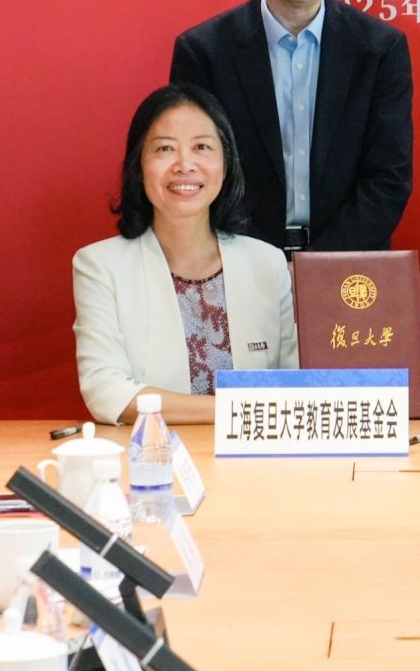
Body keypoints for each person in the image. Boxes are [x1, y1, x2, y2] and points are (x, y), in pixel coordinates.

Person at [169, 0, 413, 253]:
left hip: (348, 259)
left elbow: (388, 177)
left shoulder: (380, 49)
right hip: (236, 257)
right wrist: (263, 262)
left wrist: (318, 267)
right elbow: (196, 169)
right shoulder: (204, 51)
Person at [74, 84, 299, 425]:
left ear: (226, 164)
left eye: (201, 147)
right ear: (139, 165)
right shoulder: (100, 266)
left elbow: (294, 382)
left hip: (254, 456)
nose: (184, 165)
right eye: (165, 148)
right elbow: (107, 393)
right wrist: (237, 410)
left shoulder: (267, 263)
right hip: (152, 454)